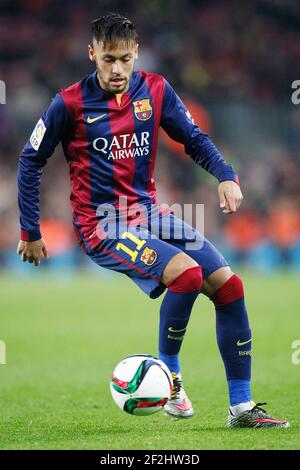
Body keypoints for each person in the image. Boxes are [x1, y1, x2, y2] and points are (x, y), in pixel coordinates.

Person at [17, 13, 289, 428]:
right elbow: (30, 160)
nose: (117, 69)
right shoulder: (68, 103)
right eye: (107, 59)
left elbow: (193, 139)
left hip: (150, 215)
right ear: (92, 54)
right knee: (187, 276)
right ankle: (170, 379)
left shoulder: (155, 90)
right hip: (102, 225)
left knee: (230, 287)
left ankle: (242, 408)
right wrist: (30, 231)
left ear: (136, 53)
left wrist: (226, 176)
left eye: (125, 59)